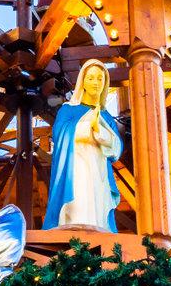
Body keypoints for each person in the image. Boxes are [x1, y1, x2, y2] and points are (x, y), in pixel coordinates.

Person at [43, 60, 123, 231]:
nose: (96, 83)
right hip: (77, 166)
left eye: (100, 78)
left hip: (99, 171)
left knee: (98, 207)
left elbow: (116, 149)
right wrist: (87, 126)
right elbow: (60, 134)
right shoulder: (68, 110)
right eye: (91, 78)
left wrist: (100, 132)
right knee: (80, 203)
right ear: (83, 82)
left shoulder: (106, 116)